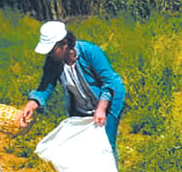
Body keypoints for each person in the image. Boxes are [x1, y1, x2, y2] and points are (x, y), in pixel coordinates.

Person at [18, 21, 126, 155]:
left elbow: (108, 82)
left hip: (108, 100)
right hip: (81, 106)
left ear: (64, 44)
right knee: (81, 145)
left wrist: (101, 108)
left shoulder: (89, 51)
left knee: (105, 144)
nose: (49, 54)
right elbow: (45, 86)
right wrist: (32, 104)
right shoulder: (52, 62)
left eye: (52, 50)